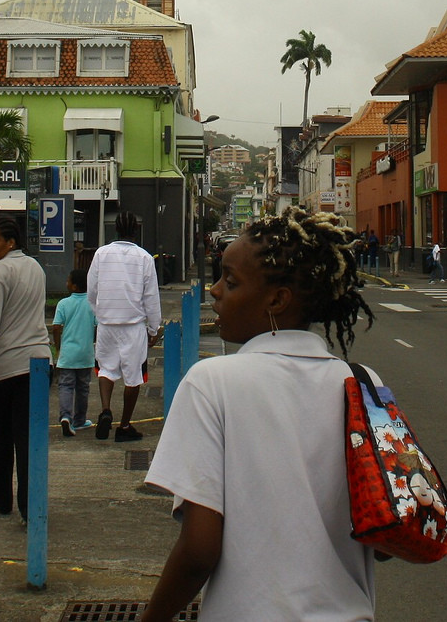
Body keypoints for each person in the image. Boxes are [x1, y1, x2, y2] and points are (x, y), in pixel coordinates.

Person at [141, 207, 377, 622]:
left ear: (277, 300)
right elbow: (384, 536)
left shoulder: (211, 383)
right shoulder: (363, 383)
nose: (214, 290)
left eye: (230, 282)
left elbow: (198, 550)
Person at [0, 215, 51, 520]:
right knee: (29, 439)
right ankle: (32, 507)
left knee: (1, 437)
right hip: (38, 362)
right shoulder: (35, 267)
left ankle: (2, 499)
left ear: (11, 242)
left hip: (3, 366)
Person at [87, 211, 163, 442]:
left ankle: (106, 410)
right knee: (134, 376)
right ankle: (125, 425)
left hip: (107, 323)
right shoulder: (144, 258)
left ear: (116, 230)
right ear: (136, 231)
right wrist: (154, 328)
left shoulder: (101, 254)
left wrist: (99, 313)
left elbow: (92, 289)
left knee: (106, 369)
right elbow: (151, 296)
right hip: (133, 326)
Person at [50, 267, 97, 437]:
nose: (66, 283)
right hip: (85, 353)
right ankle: (79, 419)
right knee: (83, 388)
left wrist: (58, 347)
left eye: (68, 281)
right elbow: (98, 326)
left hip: (68, 353)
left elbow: (56, 327)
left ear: (75, 286)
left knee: (66, 386)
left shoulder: (63, 303)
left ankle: (65, 417)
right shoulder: (92, 304)